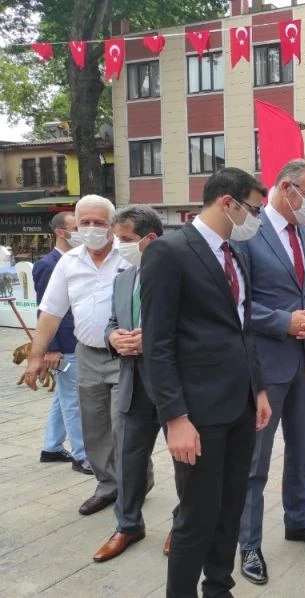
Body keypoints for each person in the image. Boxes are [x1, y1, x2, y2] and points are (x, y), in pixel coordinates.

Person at [140, 168, 271, 597]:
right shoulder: (170, 252)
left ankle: (219, 586)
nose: (258, 218)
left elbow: (243, 328)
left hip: (241, 405)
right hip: (197, 412)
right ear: (227, 203)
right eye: (254, 208)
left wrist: (260, 389)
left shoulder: (234, 254)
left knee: (230, 507)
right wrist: (174, 417)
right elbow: (157, 343)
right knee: (197, 515)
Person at [235, 160, 305, 586]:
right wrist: (284, 321)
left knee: (303, 449)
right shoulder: (247, 234)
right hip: (265, 363)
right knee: (255, 460)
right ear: (285, 188)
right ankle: (249, 543)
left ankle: (299, 520)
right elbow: (235, 300)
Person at [25, 195, 127, 516]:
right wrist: (36, 356)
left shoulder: (130, 257)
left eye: (100, 222)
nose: (93, 228)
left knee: (123, 427)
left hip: (127, 358)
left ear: (112, 225)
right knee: (94, 428)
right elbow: (51, 313)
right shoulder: (68, 263)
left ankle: (135, 482)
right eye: (86, 222)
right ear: (76, 226)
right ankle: (107, 485)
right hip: (87, 357)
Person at [92, 206, 164, 562]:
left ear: (150, 239)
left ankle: (184, 524)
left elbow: (197, 327)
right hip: (132, 385)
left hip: (172, 388)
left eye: (125, 240)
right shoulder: (124, 277)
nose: (118, 246)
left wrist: (149, 339)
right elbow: (111, 322)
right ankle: (128, 525)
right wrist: (114, 338)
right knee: (129, 459)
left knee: (188, 464)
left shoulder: (177, 274)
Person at [32, 212, 91, 474]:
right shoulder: (49, 264)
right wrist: (51, 348)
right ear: (60, 232)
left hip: (75, 341)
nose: (84, 232)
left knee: (62, 397)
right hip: (64, 345)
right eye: (77, 227)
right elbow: (46, 310)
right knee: (73, 400)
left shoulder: (75, 260)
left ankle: (52, 447)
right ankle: (82, 456)